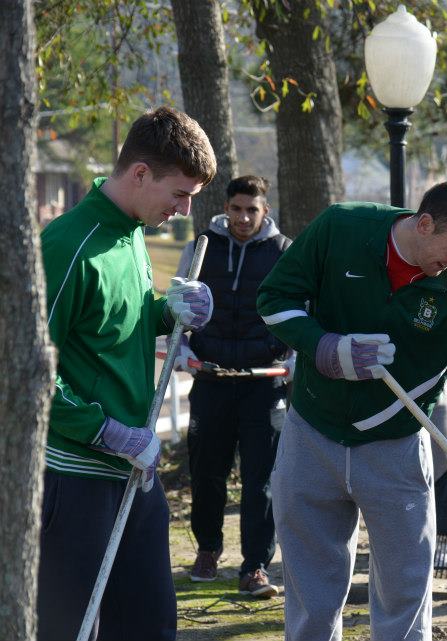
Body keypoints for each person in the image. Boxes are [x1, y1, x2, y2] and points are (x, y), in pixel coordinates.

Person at [257, 178, 447, 641]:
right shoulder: (340, 228)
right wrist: (324, 347)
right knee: (311, 590)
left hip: (398, 446)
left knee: (406, 590)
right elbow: (274, 298)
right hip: (311, 432)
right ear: (424, 223)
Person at [37, 106, 216, 641]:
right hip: (76, 477)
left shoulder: (132, 230)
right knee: (71, 629)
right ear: (140, 173)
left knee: (150, 625)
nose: (183, 210)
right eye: (179, 194)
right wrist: (104, 431)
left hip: (134, 472)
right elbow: (24, 375)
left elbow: (120, 326)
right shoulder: (67, 247)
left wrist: (170, 314)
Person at [170, 176, 292, 597]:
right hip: (211, 379)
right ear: (226, 207)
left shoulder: (283, 253)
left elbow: (300, 310)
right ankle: (207, 549)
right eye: (236, 209)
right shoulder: (203, 246)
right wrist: (181, 348)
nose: (243, 218)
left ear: (265, 212)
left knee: (262, 478)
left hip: (265, 384)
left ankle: (256, 566)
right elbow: (178, 303)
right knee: (207, 473)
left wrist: (294, 355)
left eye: (251, 210)